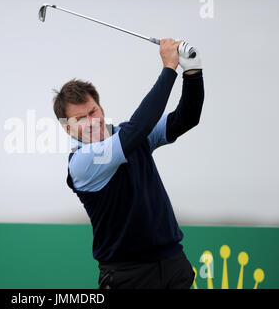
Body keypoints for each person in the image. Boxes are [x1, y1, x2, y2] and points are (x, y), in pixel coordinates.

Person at [52, 39, 204, 289]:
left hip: (173, 263)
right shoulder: (81, 162)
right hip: (128, 275)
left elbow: (187, 118)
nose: (91, 122)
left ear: (101, 108)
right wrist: (168, 68)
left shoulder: (128, 135)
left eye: (92, 112)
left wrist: (192, 71)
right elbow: (137, 129)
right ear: (66, 127)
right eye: (80, 119)